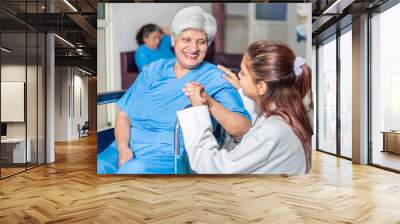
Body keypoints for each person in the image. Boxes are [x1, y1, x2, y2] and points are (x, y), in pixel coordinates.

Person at [97, 6, 252, 174]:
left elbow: (242, 128)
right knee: (99, 166)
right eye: (186, 39)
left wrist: (210, 103)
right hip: (126, 147)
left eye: (201, 41)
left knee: (133, 171)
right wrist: (122, 149)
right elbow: (124, 115)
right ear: (173, 41)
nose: (193, 48)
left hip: (171, 156)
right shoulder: (153, 69)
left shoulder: (216, 77)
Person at [177, 41, 313, 174]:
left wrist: (198, 110)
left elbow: (215, 168)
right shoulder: (286, 115)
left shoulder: (272, 130)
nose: (238, 76)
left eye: (243, 73)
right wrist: (243, 91)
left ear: (261, 87)